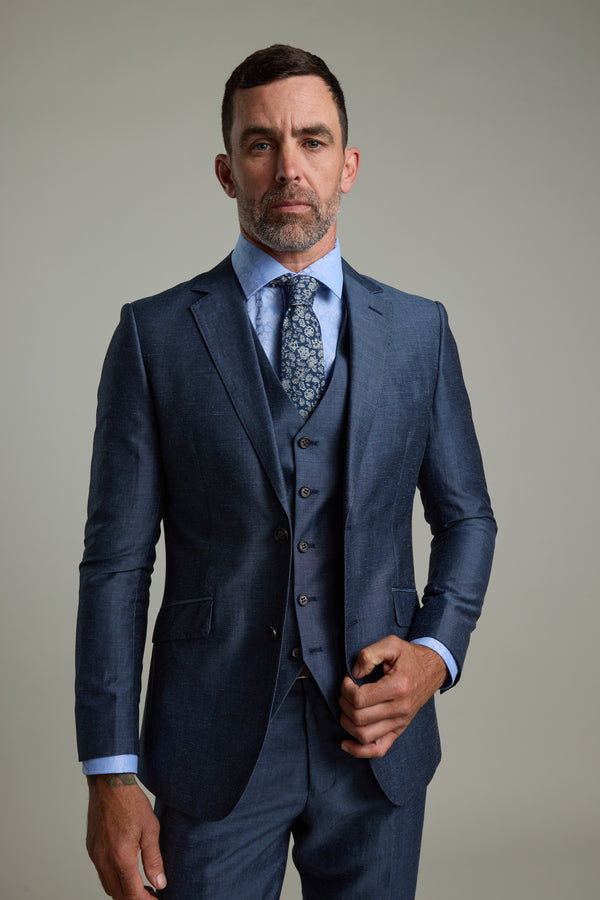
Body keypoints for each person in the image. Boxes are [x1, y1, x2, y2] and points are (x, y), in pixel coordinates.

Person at [76, 44, 496, 900]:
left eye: (312, 139)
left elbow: (468, 520)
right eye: (262, 143)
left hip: (378, 739)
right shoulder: (154, 338)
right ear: (229, 171)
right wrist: (111, 775)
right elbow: (117, 565)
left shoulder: (419, 331)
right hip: (211, 747)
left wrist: (434, 654)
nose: (289, 166)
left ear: (347, 165)